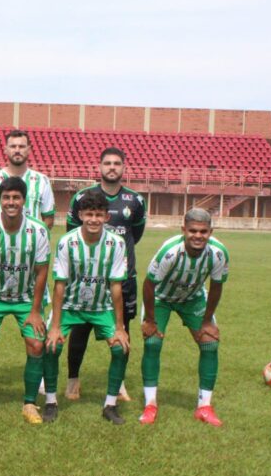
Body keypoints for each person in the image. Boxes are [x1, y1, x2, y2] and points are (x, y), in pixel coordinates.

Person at [65, 147, 146, 401]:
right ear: (99, 167)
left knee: (123, 329)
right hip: (86, 279)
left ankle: (118, 383)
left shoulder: (135, 201)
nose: (112, 167)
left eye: (117, 163)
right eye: (107, 163)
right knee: (80, 329)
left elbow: (136, 234)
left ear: (124, 167)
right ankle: (72, 380)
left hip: (123, 278)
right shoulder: (82, 197)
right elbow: (72, 234)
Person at [44, 189, 130, 425]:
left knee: (120, 348)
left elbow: (115, 287)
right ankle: (51, 401)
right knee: (51, 345)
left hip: (101, 308)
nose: (94, 219)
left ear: (107, 217)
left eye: (99, 214)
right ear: (80, 215)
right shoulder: (67, 242)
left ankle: (110, 405)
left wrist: (119, 327)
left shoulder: (116, 243)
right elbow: (59, 286)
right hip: (71, 305)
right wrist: (55, 325)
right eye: (89, 214)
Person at [138, 209, 229, 426]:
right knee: (152, 343)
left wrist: (207, 321)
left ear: (211, 232)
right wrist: (150, 320)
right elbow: (149, 285)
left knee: (209, 343)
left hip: (193, 298)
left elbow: (216, 287)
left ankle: (204, 407)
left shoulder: (218, 253)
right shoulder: (170, 252)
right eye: (193, 231)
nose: (198, 236)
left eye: (203, 231)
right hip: (161, 297)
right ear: (183, 230)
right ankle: (150, 405)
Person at [0, 177, 51, 422]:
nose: (11, 202)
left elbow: (41, 273)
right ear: (0, 200)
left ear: (24, 200)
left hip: (27, 298)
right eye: (6, 198)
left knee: (36, 344)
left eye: (16, 197)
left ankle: (29, 403)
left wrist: (36, 311)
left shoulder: (38, 230)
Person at [0, 129, 55, 228]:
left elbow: (48, 219)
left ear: (29, 150)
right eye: (13, 146)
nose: (17, 150)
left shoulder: (42, 181)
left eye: (22, 146)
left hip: (30, 242)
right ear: (6, 149)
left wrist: (35, 238)